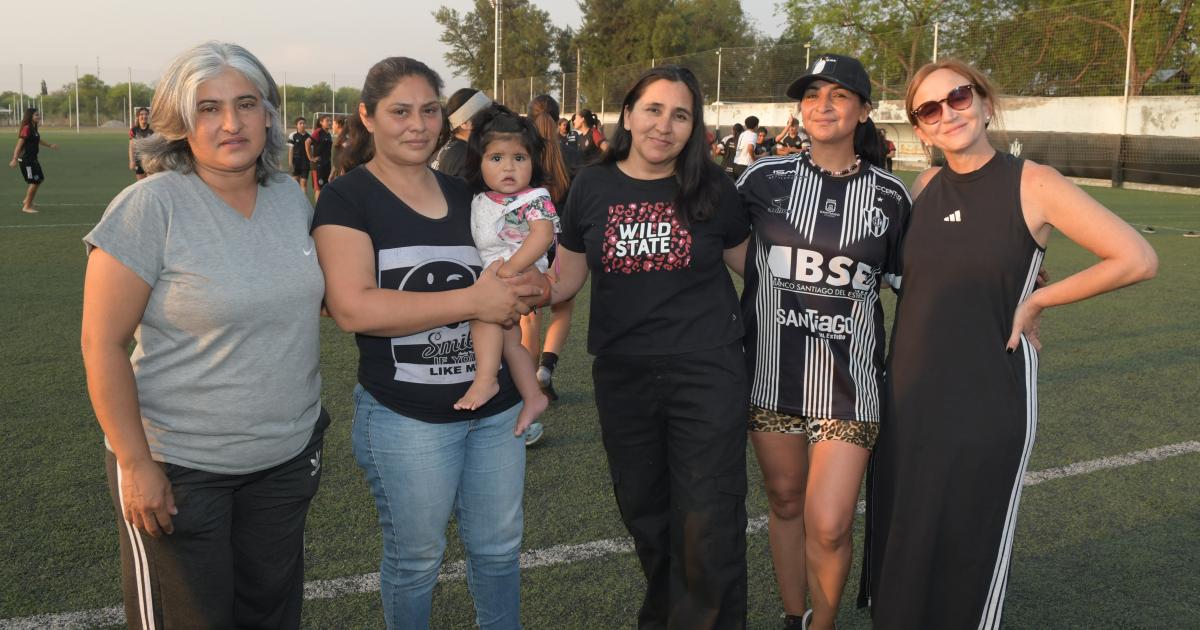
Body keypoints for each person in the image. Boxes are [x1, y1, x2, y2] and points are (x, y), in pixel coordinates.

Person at [863, 58, 1158, 630]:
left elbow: (1137, 258)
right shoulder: (924, 187)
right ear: (919, 128)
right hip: (908, 395)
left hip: (987, 396)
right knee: (906, 536)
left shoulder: (1034, 182)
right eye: (929, 109)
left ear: (984, 102)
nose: (948, 114)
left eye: (958, 97)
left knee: (965, 546)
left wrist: (1038, 299)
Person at [80, 41, 327, 629]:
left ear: (269, 114)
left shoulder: (289, 198)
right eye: (209, 108)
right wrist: (137, 464)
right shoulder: (149, 207)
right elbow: (102, 345)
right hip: (180, 468)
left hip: (285, 460)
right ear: (180, 122)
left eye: (246, 104)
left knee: (272, 617)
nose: (231, 123)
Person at [311, 56, 543, 630]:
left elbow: (522, 268)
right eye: (400, 112)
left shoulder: (469, 194)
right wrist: (474, 301)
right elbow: (353, 308)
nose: (417, 125)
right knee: (416, 562)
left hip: (496, 412)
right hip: (407, 418)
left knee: (498, 552)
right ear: (368, 117)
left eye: (430, 110)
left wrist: (532, 285)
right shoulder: (346, 199)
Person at [549, 65, 751, 629]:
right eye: (654, 110)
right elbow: (564, 281)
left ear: (694, 126)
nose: (665, 125)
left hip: (706, 371)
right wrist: (506, 280)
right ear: (629, 115)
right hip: (624, 376)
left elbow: (756, 269)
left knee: (708, 517)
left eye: (680, 115)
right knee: (646, 514)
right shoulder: (591, 185)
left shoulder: (713, 188)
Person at [732, 53, 909, 630]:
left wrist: (1018, 281)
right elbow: (717, 239)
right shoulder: (762, 179)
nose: (822, 106)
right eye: (812, 95)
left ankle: (822, 624)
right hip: (770, 376)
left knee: (829, 523)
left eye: (838, 95)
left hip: (850, 385)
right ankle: (795, 616)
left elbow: (922, 280)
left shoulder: (891, 196)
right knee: (785, 502)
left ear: (864, 110)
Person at [454, 105, 552, 430]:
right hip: (497, 271)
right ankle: (533, 395)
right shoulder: (482, 198)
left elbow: (542, 235)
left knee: (481, 316)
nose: (508, 167)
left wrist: (511, 269)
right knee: (511, 343)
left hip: (515, 271)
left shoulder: (533, 197)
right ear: (479, 162)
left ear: (533, 162)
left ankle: (486, 379)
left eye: (519, 158)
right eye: (496, 158)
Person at [522, 94, 578, 415]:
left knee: (529, 317)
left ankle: (527, 389)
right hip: (565, 244)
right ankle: (545, 370)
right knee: (563, 308)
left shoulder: (522, 154)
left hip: (532, 242)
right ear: (558, 120)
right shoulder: (572, 153)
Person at [431, 88, 490, 178]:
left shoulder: (440, 148)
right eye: (486, 116)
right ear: (465, 123)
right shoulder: (468, 158)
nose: (493, 120)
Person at [9, 107, 58, 213]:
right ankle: (26, 206)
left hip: (33, 159)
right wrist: (14, 159)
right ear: (30, 116)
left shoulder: (33, 127)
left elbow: (38, 139)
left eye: (38, 114)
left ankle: (27, 200)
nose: (38, 116)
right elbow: (19, 145)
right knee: (35, 181)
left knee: (39, 179)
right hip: (26, 160)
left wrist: (49, 145)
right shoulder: (26, 128)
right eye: (36, 115)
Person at [305, 113, 332, 200]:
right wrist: (310, 157)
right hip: (318, 165)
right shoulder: (318, 131)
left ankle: (324, 206)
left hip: (327, 164)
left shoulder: (328, 134)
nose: (330, 122)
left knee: (326, 187)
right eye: (327, 121)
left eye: (330, 120)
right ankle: (318, 208)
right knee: (318, 189)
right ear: (321, 122)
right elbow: (307, 142)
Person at [128, 107, 153, 180]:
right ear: (138, 116)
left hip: (150, 161)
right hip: (138, 161)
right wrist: (132, 161)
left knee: (150, 182)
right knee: (141, 183)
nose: (144, 116)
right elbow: (131, 147)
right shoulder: (134, 130)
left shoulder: (152, 129)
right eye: (141, 114)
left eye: (146, 114)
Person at [287, 116, 311, 192]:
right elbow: (291, 150)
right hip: (296, 162)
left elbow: (311, 150)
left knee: (304, 183)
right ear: (296, 125)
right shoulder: (293, 135)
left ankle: (303, 199)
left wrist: (311, 160)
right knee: (295, 183)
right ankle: (296, 199)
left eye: (304, 123)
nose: (302, 125)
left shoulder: (309, 136)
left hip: (305, 162)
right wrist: (290, 163)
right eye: (300, 123)